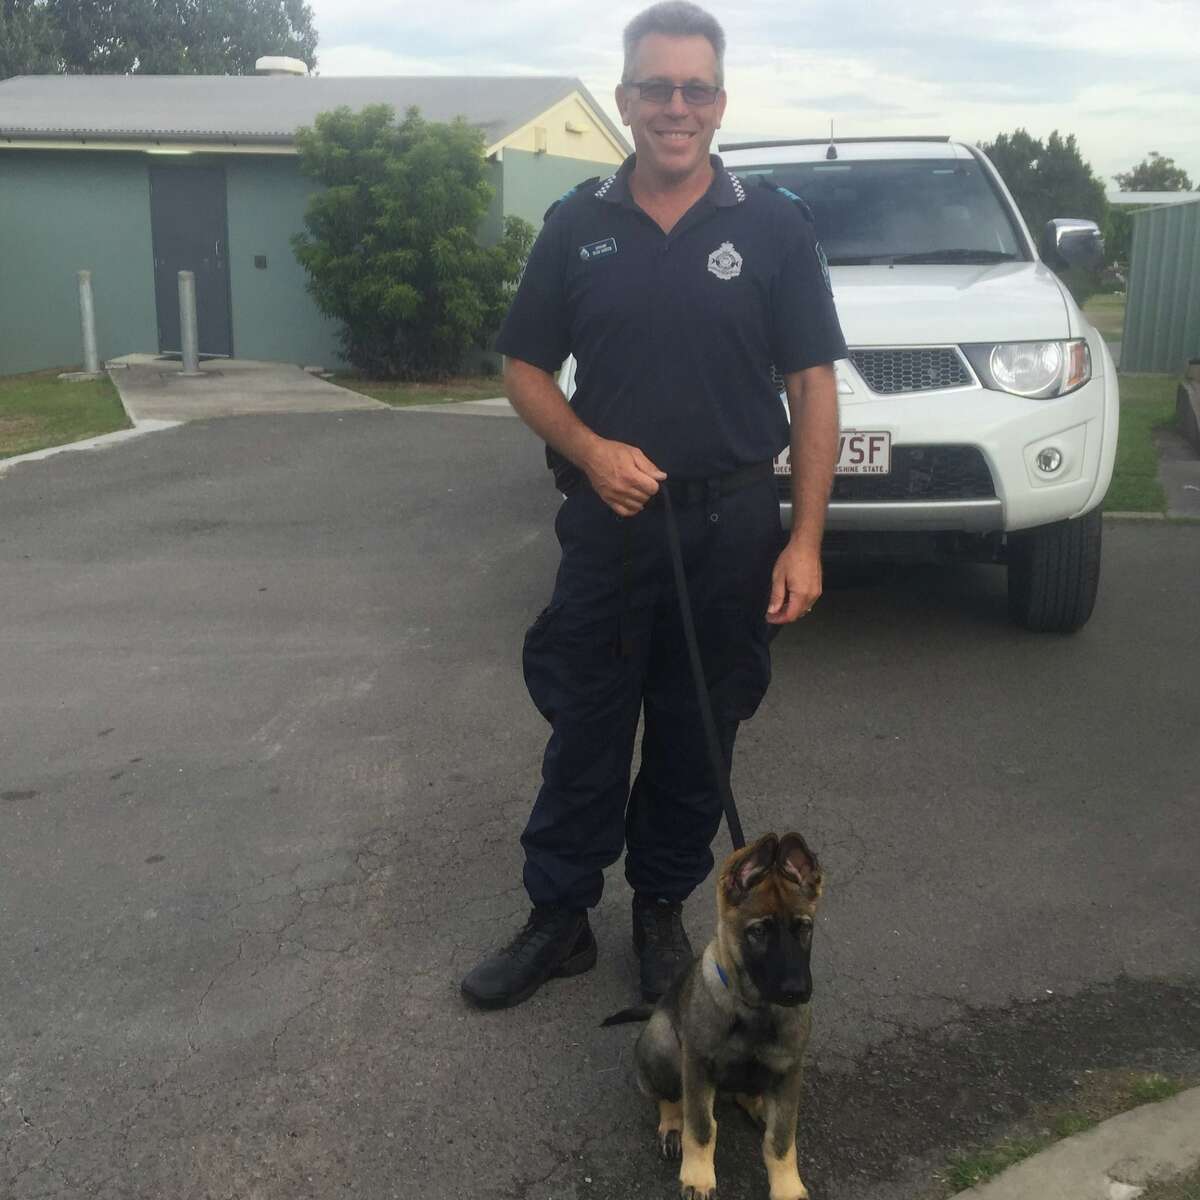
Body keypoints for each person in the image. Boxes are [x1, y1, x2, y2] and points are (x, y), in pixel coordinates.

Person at [460, 0, 846, 1010]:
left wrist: (804, 540)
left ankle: (659, 913)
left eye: (696, 88)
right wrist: (588, 448)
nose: (676, 105)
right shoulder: (576, 225)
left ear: (719, 101)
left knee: (697, 730)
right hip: (611, 528)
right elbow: (525, 369)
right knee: (585, 723)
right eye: (655, 87)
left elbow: (813, 389)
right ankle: (559, 921)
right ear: (626, 97)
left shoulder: (774, 226)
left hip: (730, 530)